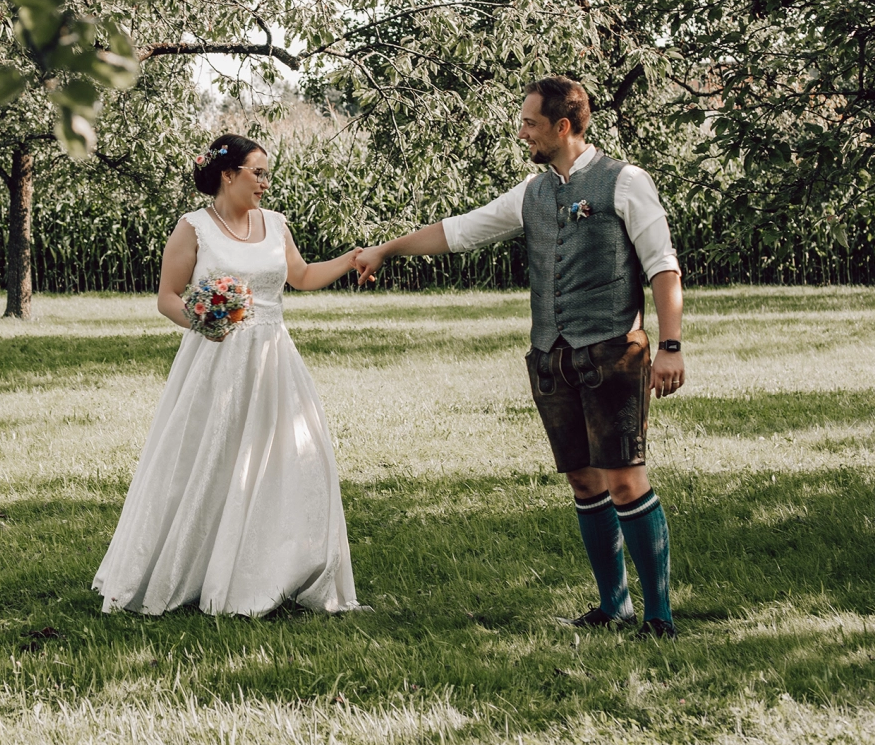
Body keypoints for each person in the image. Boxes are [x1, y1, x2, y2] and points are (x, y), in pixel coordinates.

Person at [353, 77, 685, 639]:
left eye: (529, 122)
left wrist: (671, 346)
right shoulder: (530, 193)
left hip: (612, 352)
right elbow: (459, 231)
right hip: (551, 359)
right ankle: (614, 606)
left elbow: (663, 267)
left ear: (562, 126)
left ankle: (660, 617)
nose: (521, 131)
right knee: (584, 482)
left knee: (626, 480)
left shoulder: (625, 183)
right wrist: (387, 248)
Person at [93, 134, 366, 616]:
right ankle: (194, 567)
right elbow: (168, 297)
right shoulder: (194, 228)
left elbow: (299, 277)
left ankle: (275, 569)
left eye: (266, 173)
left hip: (274, 359)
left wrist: (350, 260)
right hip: (216, 360)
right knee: (209, 459)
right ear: (227, 174)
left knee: (284, 457)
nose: (265, 182)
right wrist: (204, 321)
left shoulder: (276, 224)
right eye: (257, 172)